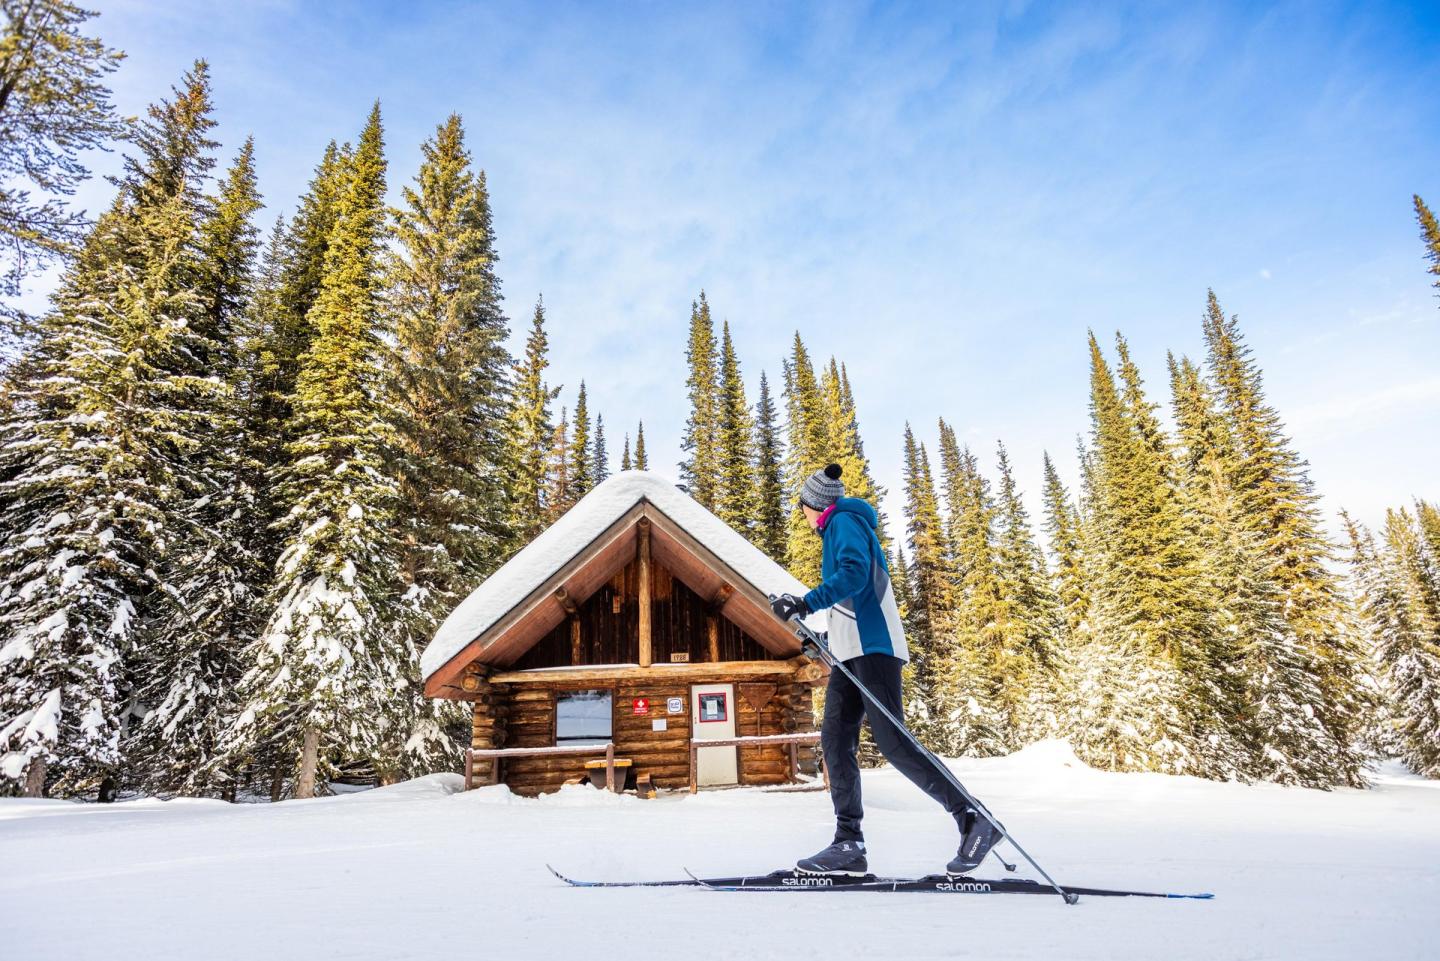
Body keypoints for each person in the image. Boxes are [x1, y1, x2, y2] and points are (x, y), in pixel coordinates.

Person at [770, 462, 1001, 878]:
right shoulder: (838, 527)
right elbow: (849, 601)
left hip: (874, 648)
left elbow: (855, 576)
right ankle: (848, 843)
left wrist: (805, 602)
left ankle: (972, 819)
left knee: (893, 742)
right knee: (835, 741)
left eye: (801, 507)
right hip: (850, 653)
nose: (802, 515)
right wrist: (825, 638)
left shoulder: (841, 521)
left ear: (813, 506)